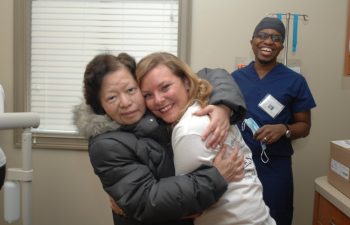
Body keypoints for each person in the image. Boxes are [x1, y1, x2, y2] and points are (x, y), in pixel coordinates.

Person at [73, 53, 246, 225]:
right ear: (100, 105)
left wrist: (223, 106)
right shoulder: (106, 145)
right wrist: (215, 177)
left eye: (131, 90)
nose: (125, 102)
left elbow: (212, 75)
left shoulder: (154, 108)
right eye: (112, 97)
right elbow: (147, 201)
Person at [136, 51, 276, 225]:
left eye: (165, 87)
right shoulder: (211, 105)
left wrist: (132, 208)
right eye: (148, 95)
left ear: (186, 82)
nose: (158, 100)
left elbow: (189, 205)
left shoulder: (189, 130)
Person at [231, 17, 317, 225]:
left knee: (277, 216)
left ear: (281, 46)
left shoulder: (295, 81)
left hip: (275, 166)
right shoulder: (235, 78)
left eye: (276, 38)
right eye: (262, 36)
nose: (268, 42)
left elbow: (304, 126)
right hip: (238, 164)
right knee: (237, 216)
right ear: (252, 41)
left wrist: (284, 129)